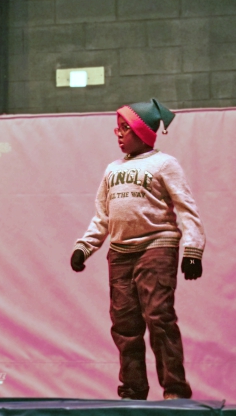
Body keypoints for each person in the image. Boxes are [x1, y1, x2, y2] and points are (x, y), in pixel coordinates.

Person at [70, 98, 205, 400]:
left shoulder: (164, 164)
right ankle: (132, 391)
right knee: (124, 325)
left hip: (157, 247)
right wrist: (85, 246)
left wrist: (192, 249)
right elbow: (103, 215)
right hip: (120, 254)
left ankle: (175, 390)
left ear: (142, 132)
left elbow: (186, 208)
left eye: (124, 128)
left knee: (159, 317)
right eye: (116, 129)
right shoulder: (112, 169)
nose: (117, 134)